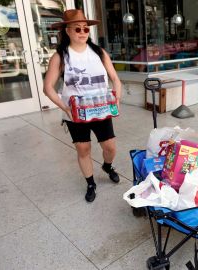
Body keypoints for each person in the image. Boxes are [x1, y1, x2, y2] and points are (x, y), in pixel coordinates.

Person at [44, 9, 122, 203]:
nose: (82, 32)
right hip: (76, 113)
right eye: (77, 29)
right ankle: (90, 183)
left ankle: (107, 165)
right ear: (67, 31)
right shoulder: (60, 57)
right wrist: (65, 108)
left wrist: (116, 98)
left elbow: (115, 78)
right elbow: (48, 88)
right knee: (83, 149)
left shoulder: (99, 53)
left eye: (85, 29)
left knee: (110, 147)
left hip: (101, 108)